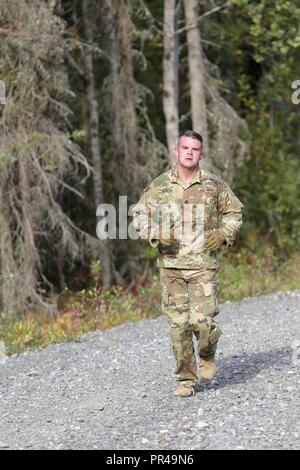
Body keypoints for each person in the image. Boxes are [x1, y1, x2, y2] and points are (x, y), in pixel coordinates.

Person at [133, 130, 244, 397]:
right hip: (171, 267)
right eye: (185, 148)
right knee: (178, 325)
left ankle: (207, 351)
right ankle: (185, 379)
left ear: (201, 154)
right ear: (176, 150)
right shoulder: (160, 185)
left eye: (195, 149)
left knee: (202, 322)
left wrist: (223, 234)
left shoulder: (214, 185)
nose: (189, 153)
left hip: (203, 266)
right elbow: (139, 214)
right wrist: (156, 233)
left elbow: (235, 212)